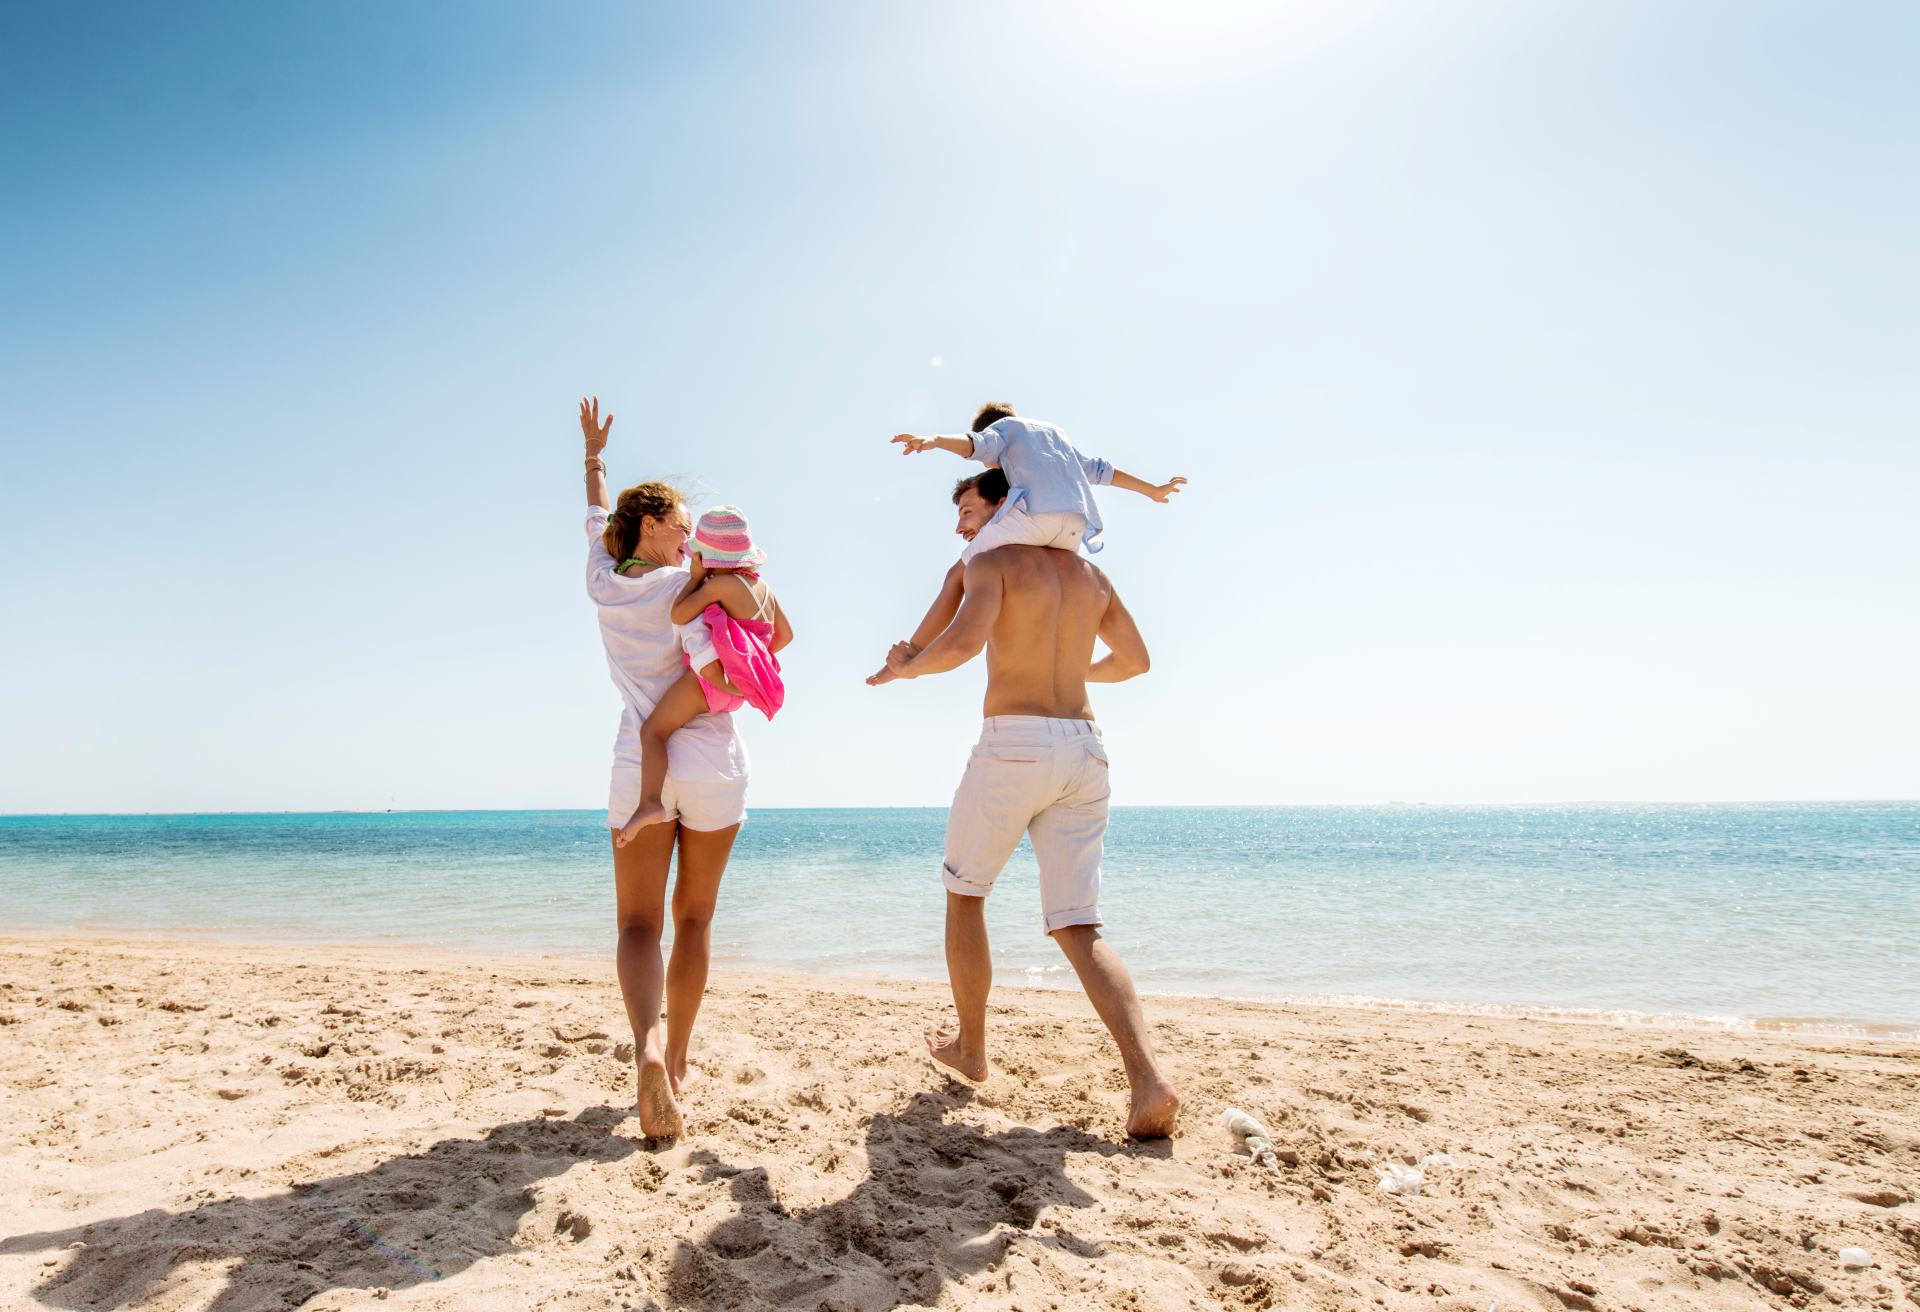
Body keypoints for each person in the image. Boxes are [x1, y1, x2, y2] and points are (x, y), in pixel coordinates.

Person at [869, 467, 1181, 1138]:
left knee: (965, 891)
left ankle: (972, 1048)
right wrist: (1069, 671)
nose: (961, 526)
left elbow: (959, 643)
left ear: (1009, 502)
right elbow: (1135, 661)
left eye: (970, 509)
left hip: (1014, 745)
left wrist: (906, 667)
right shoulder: (1090, 577)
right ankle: (1148, 1080)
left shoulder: (995, 560)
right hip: (1084, 746)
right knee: (1078, 924)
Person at [578, 396, 749, 1139]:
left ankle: (648, 1048)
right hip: (711, 755)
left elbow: (593, 519)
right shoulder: (692, 586)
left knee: (638, 924)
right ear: (651, 525)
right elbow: (764, 635)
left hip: (637, 757)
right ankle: (676, 1066)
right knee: (695, 919)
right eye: (682, 525)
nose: (690, 538)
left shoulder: (604, 581)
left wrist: (592, 457)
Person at [879, 403, 1185, 681]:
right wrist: (1152, 491)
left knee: (956, 575)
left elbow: (975, 444)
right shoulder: (1056, 437)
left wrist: (934, 441)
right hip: (1075, 527)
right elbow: (1100, 470)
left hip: (1036, 517)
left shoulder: (1004, 431)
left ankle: (911, 651)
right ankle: (1067, 665)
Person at [617, 506, 791, 846]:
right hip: (737, 690)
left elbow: (679, 615)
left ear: (708, 556)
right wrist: (746, 665)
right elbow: (784, 636)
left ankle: (650, 803)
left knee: (653, 730)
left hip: (709, 682)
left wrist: (696, 578)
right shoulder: (765, 590)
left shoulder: (721, 585)